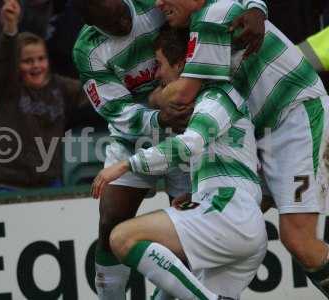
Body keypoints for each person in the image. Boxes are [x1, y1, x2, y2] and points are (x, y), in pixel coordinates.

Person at [73, 0, 268, 299]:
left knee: (185, 220)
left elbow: (211, 5)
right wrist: (157, 116)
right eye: (110, 24)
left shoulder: (154, 4)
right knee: (111, 217)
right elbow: (115, 109)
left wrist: (257, 6)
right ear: (90, 23)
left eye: (121, 15)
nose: (123, 26)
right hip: (136, 134)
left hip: (190, 121)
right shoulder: (87, 50)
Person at [153, 0, 329, 296]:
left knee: (298, 239)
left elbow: (182, 94)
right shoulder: (209, 20)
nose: (158, 3)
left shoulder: (210, 17)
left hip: (298, 117)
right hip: (270, 133)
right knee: (222, 221)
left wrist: (153, 101)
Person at [0, 0, 87, 192]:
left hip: (49, 183)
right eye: (27, 61)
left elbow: (94, 91)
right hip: (8, 185)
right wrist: (10, 29)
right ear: (16, 65)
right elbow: (4, 61)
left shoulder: (59, 86)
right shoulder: (8, 89)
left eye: (41, 59)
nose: (36, 66)